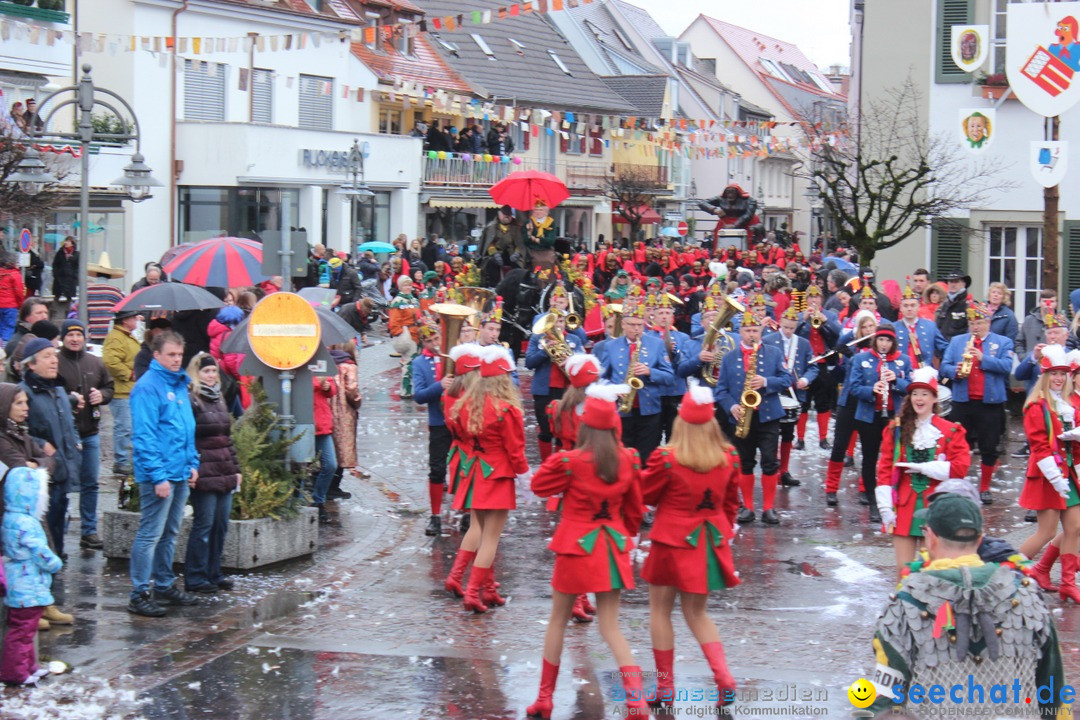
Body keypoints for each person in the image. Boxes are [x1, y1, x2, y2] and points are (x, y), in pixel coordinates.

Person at [865, 493, 1067, 718]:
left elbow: (883, 703)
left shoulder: (904, 607)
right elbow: (1055, 699)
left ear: (930, 537)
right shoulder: (1030, 599)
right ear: (980, 539)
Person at [527, 384, 648, 719]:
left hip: (574, 546)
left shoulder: (569, 461)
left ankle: (545, 698)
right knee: (611, 627)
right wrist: (624, 536)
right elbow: (635, 512)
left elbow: (539, 487)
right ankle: (636, 702)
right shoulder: (629, 458)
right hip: (612, 546)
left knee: (557, 621)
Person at [641, 382, 741, 712]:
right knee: (698, 613)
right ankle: (724, 677)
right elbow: (730, 505)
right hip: (708, 541)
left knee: (660, 611)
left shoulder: (667, 457)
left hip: (671, 540)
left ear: (680, 422)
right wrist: (723, 534)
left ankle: (665, 687)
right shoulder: (728, 456)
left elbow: (646, 495)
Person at [447, 345, 527, 613]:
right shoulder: (507, 410)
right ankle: (473, 592)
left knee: (479, 531)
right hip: (498, 475)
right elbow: (515, 451)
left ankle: (485, 588)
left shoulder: (465, 404)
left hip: (475, 472)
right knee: (491, 538)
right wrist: (525, 477)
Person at [127, 331, 200, 617]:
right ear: (156, 355)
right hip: (159, 474)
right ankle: (139, 592)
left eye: (179, 355)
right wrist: (158, 476)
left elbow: (186, 428)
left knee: (170, 532)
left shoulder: (179, 383)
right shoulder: (148, 387)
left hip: (180, 470)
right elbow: (144, 435)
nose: (176, 360)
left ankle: (164, 584)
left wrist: (192, 462)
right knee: (150, 533)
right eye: (171, 355)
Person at [875, 368, 970, 575]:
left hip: (936, 507)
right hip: (904, 505)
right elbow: (884, 469)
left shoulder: (950, 430)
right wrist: (884, 507)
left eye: (925, 394)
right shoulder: (896, 429)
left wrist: (926, 468)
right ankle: (905, 608)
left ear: (935, 399)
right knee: (904, 570)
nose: (919, 399)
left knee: (932, 569)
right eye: (915, 394)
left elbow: (960, 468)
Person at [714, 311, 792, 524]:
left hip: (768, 416)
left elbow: (786, 379)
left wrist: (766, 382)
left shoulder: (774, 353)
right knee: (744, 462)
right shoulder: (729, 357)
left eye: (755, 330)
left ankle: (768, 508)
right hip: (741, 417)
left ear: (762, 331)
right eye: (747, 331)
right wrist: (731, 407)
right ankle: (747, 507)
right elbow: (720, 390)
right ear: (740, 332)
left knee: (770, 461)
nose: (752, 335)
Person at [941, 302, 1014, 505]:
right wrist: (954, 370)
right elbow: (944, 367)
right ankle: (959, 485)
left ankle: (984, 487)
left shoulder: (1002, 342)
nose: (976, 327)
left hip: (989, 404)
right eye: (972, 322)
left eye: (980, 322)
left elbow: (1007, 366)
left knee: (989, 446)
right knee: (959, 445)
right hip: (963, 402)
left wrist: (983, 359)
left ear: (988, 323)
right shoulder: (957, 341)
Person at [19, 338, 81, 562]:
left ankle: (58, 559)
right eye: (47, 356)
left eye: (54, 355)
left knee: (59, 521)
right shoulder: (24, 392)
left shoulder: (58, 389)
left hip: (64, 469)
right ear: (31, 364)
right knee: (46, 525)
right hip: (42, 475)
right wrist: (40, 444)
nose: (54, 361)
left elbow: (68, 423)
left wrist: (76, 441)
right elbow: (16, 432)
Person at [183, 354, 240, 594]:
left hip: (223, 468)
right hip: (204, 469)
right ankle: (196, 576)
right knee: (204, 524)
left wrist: (236, 469)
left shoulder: (218, 398)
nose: (211, 376)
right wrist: (191, 467)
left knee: (220, 525)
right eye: (206, 372)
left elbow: (227, 437)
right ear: (197, 373)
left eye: (213, 371)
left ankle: (214, 571)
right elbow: (188, 437)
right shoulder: (192, 400)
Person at [0, 467, 63, 686]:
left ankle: (28, 667)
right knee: (22, 631)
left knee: (26, 629)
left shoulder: (13, 517)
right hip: (27, 585)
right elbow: (39, 550)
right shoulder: (24, 522)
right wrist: (54, 563)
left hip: (24, 583)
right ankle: (15, 673)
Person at [57, 320, 113, 551]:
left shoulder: (95, 362)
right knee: (64, 483)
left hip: (90, 432)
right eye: (70, 335)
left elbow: (110, 387)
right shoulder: (55, 362)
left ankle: (89, 530)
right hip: (65, 435)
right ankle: (59, 528)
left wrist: (102, 395)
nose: (75, 339)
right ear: (63, 338)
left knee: (91, 483)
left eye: (79, 335)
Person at [846, 322, 911, 524]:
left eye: (888, 340)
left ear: (894, 342)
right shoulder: (861, 359)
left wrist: (896, 382)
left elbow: (911, 386)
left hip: (895, 417)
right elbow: (853, 388)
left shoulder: (903, 360)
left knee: (895, 458)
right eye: (881, 339)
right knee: (869, 458)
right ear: (875, 340)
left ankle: (895, 499)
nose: (884, 344)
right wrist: (872, 390)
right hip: (869, 416)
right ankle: (873, 502)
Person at [823, 310, 878, 506]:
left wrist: (854, 356)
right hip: (848, 402)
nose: (869, 330)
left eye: (872, 326)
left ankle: (866, 488)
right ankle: (831, 489)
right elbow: (837, 376)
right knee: (839, 447)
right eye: (865, 327)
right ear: (859, 330)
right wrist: (835, 358)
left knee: (868, 450)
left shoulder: (878, 351)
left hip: (868, 404)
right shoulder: (852, 346)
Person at [763, 307, 817, 487]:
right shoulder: (768, 340)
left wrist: (804, 379)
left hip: (794, 393)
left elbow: (813, 367)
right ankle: (772, 467)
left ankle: (784, 470)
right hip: (772, 392)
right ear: (779, 323)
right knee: (771, 433)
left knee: (788, 434)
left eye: (792, 328)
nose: (788, 331)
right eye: (785, 327)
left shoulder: (803, 343)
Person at [526, 311, 586, 461]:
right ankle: (546, 464)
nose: (558, 326)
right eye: (554, 322)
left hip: (566, 390)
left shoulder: (574, 339)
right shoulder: (537, 339)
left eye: (560, 322)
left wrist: (570, 358)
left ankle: (560, 465)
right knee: (545, 430)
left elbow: (582, 363)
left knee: (563, 430)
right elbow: (529, 363)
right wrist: (545, 351)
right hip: (543, 390)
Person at [411, 325, 451, 536]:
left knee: (463, 468)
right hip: (438, 422)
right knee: (437, 470)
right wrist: (440, 385)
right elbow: (419, 395)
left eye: (437, 339)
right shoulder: (419, 363)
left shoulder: (452, 356)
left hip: (458, 420)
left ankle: (467, 513)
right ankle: (435, 516)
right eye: (429, 341)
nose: (435, 344)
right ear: (423, 344)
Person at [795, 285, 841, 450]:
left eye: (817, 297)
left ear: (821, 299)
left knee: (823, 402)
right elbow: (791, 334)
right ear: (806, 300)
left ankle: (823, 438)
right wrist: (803, 320)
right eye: (810, 297)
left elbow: (839, 333)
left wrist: (825, 320)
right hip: (805, 364)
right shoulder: (800, 316)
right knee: (803, 402)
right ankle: (800, 439)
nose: (814, 300)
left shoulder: (829, 315)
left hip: (823, 362)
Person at [103, 309, 141, 477]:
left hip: (129, 389)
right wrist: (129, 373)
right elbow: (111, 361)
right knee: (124, 427)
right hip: (121, 390)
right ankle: (121, 461)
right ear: (125, 320)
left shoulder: (125, 336)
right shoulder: (116, 337)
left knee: (128, 427)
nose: (137, 320)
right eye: (134, 317)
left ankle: (126, 459)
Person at [328, 342, 361, 501]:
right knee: (343, 449)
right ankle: (334, 486)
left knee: (330, 448)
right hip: (344, 413)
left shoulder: (328, 362)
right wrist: (358, 402)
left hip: (327, 411)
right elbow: (352, 390)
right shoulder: (349, 366)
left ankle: (327, 485)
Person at [308, 369, 338, 524]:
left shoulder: (319, 361)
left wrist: (328, 386)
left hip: (321, 424)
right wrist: (317, 383)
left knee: (330, 465)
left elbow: (331, 388)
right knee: (300, 468)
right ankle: (299, 505)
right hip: (304, 424)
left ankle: (318, 501)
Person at [84, 253, 127, 344]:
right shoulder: (115, 291)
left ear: (96, 275)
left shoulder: (87, 291)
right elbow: (124, 310)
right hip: (110, 334)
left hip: (91, 334)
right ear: (109, 276)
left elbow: (80, 312)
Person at [935, 270, 971, 340]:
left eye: (956, 281)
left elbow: (971, 330)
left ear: (964, 284)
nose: (953, 284)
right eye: (951, 281)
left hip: (959, 347)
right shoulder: (942, 305)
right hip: (942, 347)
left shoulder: (968, 305)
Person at [0, 252, 25, 344]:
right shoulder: (15, 274)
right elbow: (19, 292)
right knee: (9, 328)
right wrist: (21, 305)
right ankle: (4, 351)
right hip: (10, 306)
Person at [51, 236, 79, 303]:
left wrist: (74, 275)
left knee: (70, 299)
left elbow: (78, 266)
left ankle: (69, 312)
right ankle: (55, 311)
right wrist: (56, 274)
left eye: (68, 241)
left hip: (70, 280)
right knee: (57, 297)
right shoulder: (60, 252)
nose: (66, 242)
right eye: (66, 241)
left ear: (72, 243)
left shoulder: (76, 254)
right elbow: (55, 264)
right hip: (60, 279)